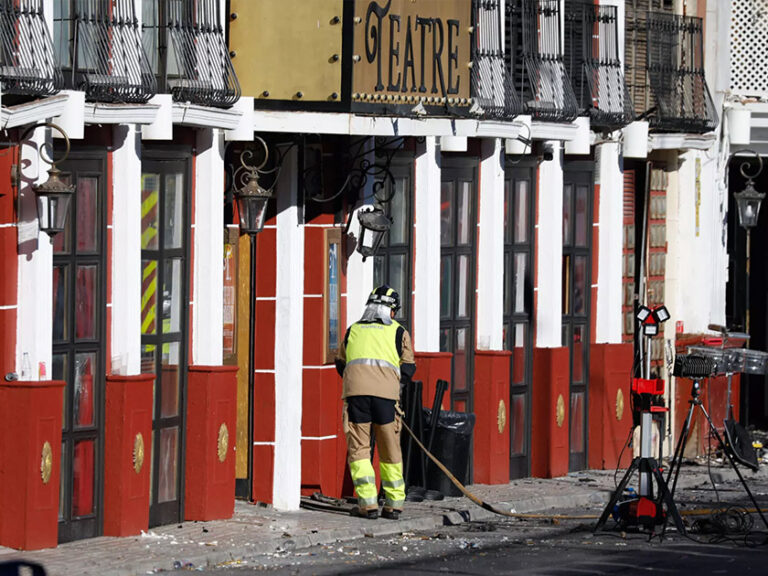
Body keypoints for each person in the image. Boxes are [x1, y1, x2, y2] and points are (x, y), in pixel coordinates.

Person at [335, 285, 416, 520]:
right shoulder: (399, 332)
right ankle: (393, 504)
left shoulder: (353, 330)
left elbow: (341, 363)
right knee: (390, 448)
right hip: (387, 399)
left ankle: (368, 503)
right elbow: (408, 368)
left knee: (359, 448)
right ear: (391, 311)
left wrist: (360, 380)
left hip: (356, 395)